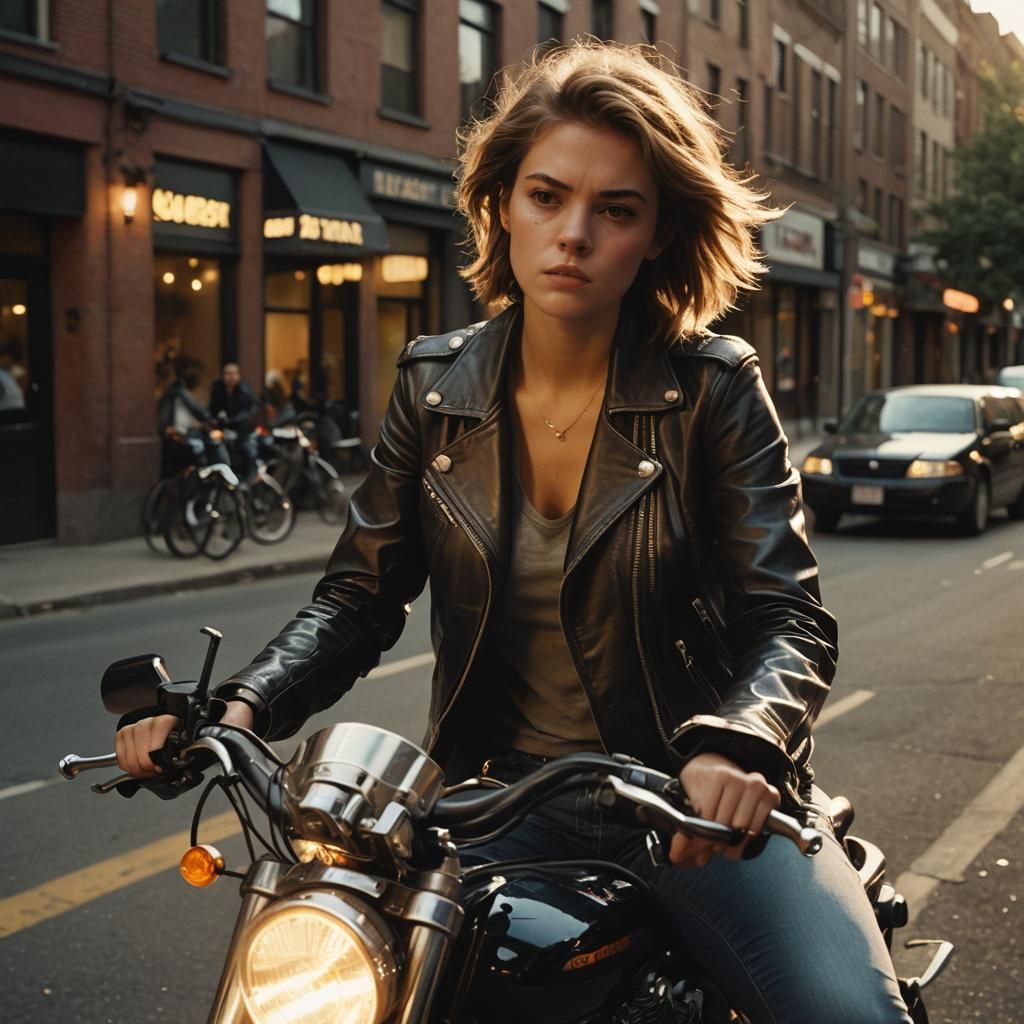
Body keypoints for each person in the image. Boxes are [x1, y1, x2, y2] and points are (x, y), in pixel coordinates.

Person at [117, 42, 910, 1022]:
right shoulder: (433, 386)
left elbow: (788, 616)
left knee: (847, 1014)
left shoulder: (713, 388)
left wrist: (742, 745)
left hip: (690, 808)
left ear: (657, 232)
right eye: (547, 195)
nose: (572, 233)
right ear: (501, 204)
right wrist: (237, 710)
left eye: (614, 209)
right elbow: (359, 596)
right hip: (490, 807)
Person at [208, 361, 259, 481]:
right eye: (227, 374)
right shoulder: (218, 389)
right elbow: (212, 408)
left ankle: (251, 480)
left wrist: (232, 420)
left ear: (238, 375)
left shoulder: (244, 390)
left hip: (241, 432)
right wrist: (214, 419)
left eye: (234, 374)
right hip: (222, 431)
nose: (231, 377)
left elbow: (249, 410)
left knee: (249, 452)